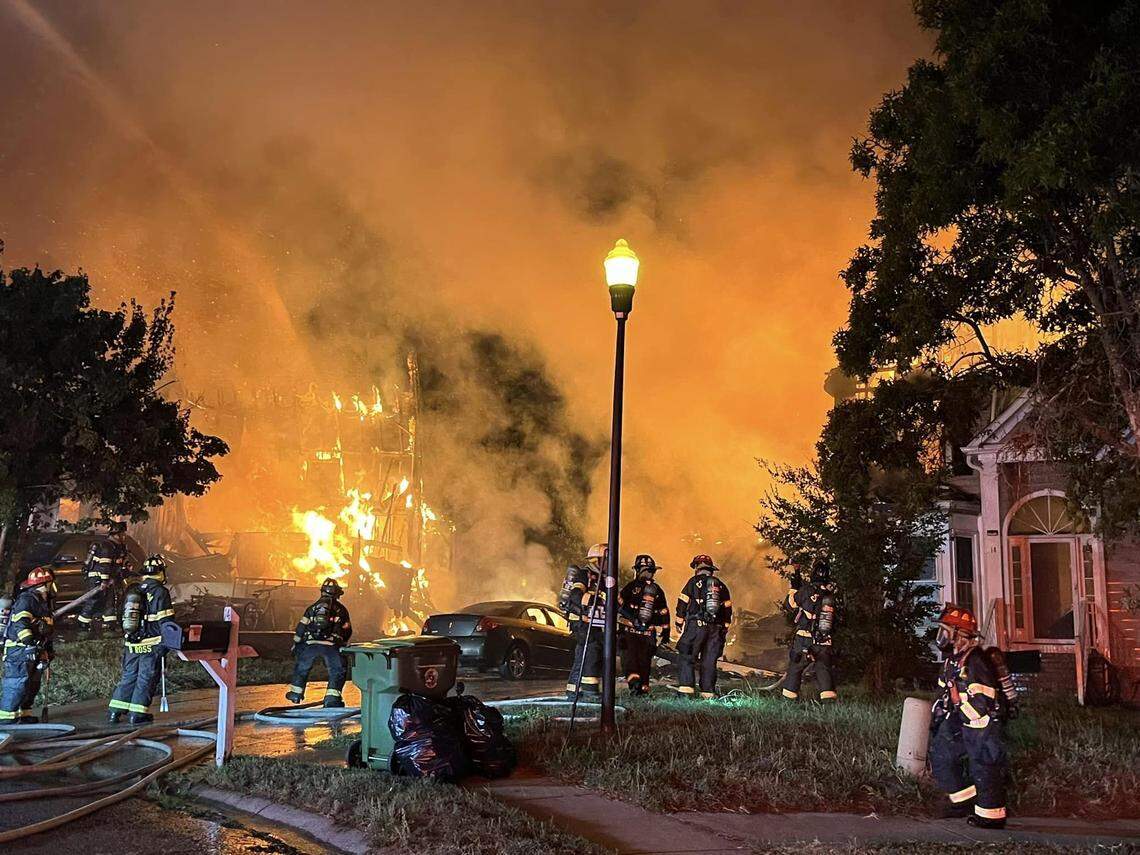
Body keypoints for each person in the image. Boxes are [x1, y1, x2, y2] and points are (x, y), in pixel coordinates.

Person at [929, 604, 1009, 829]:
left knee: (983, 766)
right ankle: (962, 802)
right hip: (961, 719)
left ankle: (991, 817)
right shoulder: (952, 660)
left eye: (945, 630)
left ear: (957, 634)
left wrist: (965, 719)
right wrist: (939, 714)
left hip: (980, 724)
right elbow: (944, 690)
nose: (941, 635)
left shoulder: (975, 661)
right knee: (942, 756)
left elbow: (983, 700)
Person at [109, 554, 177, 724]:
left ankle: (115, 711)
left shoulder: (135, 590)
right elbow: (166, 622)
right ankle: (137, 714)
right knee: (146, 678)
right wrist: (167, 643)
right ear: (160, 572)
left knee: (129, 676)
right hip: (152, 644)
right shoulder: (160, 592)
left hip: (131, 644)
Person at [286, 577, 353, 707]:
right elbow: (347, 629)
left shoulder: (312, 608)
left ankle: (295, 694)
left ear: (322, 591)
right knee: (337, 670)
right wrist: (342, 643)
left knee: (302, 668)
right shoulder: (341, 610)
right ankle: (332, 700)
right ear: (336, 593)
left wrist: (296, 643)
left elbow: (301, 628)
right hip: (331, 646)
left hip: (310, 644)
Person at [673, 554, 732, 699]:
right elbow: (728, 609)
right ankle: (708, 694)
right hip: (715, 629)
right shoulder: (720, 585)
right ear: (711, 569)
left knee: (687, 655)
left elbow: (683, 603)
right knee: (709, 660)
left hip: (696, 626)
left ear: (696, 568)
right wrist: (723, 629)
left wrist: (679, 622)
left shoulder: (692, 582)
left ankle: (686, 692)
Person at [1, 567, 55, 723]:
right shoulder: (27, 599)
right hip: (18, 651)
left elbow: (47, 628)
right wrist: (29, 643)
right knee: (17, 682)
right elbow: (20, 623)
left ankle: (24, 714)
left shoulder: (44, 602)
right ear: (44, 584)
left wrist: (48, 650)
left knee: (32, 684)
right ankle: (6, 718)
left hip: (35, 650)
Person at [781, 558, 839, 702]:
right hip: (824, 640)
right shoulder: (830, 596)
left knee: (795, 667)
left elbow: (789, 604)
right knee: (823, 668)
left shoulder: (806, 590)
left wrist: (794, 587)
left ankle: (789, 700)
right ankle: (828, 701)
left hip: (804, 639)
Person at [618, 554, 670, 695]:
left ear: (638, 570)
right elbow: (664, 613)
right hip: (648, 635)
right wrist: (666, 633)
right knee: (644, 663)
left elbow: (618, 605)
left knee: (629, 662)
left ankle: (634, 684)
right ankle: (643, 689)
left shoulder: (630, 587)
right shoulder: (657, 590)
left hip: (629, 633)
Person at [78, 525, 133, 633]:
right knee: (93, 600)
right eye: (122, 534)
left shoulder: (117, 547)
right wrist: (104, 581)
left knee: (110, 600)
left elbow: (117, 565)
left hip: (108, 578)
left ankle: (109, 623)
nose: (124, 536)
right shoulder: (106, 547)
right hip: (97, 577)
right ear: (115, 535)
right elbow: (105, 565)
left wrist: (126, 570)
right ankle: (83, 622)